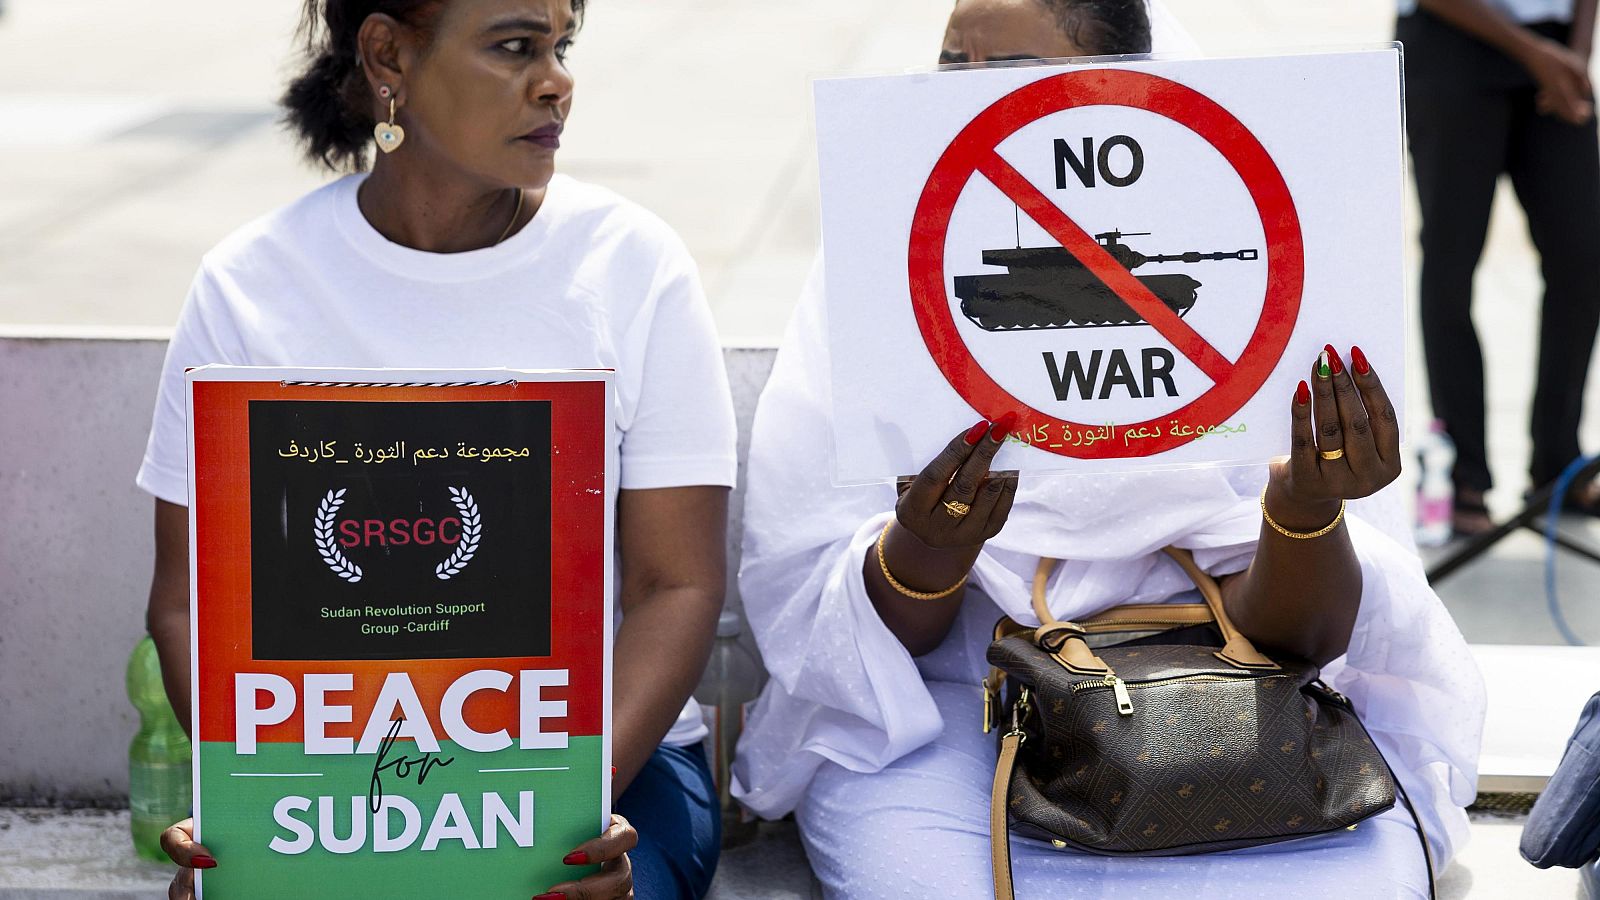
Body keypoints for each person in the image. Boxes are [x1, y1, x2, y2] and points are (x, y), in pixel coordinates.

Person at [731, 1, 1484, 897]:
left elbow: (1305, 640)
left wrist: (1305, 509)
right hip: (950, 716)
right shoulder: (870, 280)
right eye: (950, 65)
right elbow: (837, 628)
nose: (967, 98)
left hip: (1241, 699)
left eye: (1006, 70)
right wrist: (934, 546)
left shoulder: (1274, 294)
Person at [136, 2, 736, 898]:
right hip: (325, 777)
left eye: (561, 47)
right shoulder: (251, 285)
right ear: (390, 57)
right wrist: (254, 801)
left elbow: (673, 585)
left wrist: (548, 806)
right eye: (514, 47)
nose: (557, 80)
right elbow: (188, 605)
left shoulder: (630, 265)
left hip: (605, 765)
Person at [1397, 0, 1600, 534]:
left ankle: (1558, 466)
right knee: (1450, 262)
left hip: (1557, 46)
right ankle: (1464, 472)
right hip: (1453, 41)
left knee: (1583, 260)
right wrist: (1539, 56)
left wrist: (1574, 58)